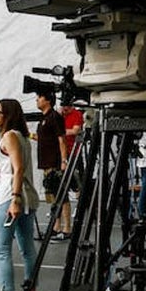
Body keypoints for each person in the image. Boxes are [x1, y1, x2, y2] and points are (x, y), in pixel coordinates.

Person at [0, 99, 40, 291]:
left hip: (10, 197)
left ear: (8, 115)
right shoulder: (22, 137)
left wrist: (15, 199)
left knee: (2, 250)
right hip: (25, 197)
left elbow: (17, 169)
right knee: (27, 249)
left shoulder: (10, 136)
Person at [34, 91, 67, 238]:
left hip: (55, 161)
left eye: (40, 96)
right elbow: (42, 139)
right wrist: (27, 134)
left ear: (48, 100)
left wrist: (64, 161)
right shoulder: (43, 119)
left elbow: (62, 140)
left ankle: (67, 229)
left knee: (61, 195)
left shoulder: (55, 117)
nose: (37, 99)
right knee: (53, 196)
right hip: (46, 162)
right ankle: (56, 226)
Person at [57, 99, 84, 236]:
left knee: (78, 180)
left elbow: (75, 130)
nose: (64, 109)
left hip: (74, 150)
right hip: (62, 151)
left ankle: (80, 205)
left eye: (66, 107)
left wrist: (60, 131)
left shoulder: (77, 114)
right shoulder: (60, 115)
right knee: (61, 180)